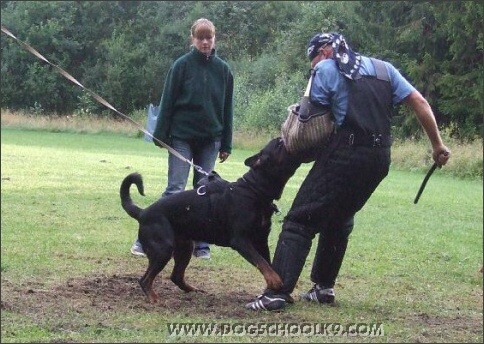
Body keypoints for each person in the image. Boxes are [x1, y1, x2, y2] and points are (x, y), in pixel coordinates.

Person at [245, 32, 451, 311]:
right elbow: (420, 102)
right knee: (339, 217)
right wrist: (437, 145)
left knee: (299, 220)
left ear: (325, 52)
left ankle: (276, 294)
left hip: (346, 153)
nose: (313, 66)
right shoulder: (384, 69)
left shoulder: (325, 68)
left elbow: (311, 122)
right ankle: (324, 288)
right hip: (379, 159)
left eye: (313, 59)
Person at [130, 18, 234, 259]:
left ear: (214, 39)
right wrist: (161, 134)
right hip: (181, 138)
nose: (206, 42)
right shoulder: (181, 66)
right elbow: (167, 102)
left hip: (211, 140)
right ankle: (144, 241)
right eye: (201, 38)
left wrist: (226, 143)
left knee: (204, 193)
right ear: (193, 40)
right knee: (175, 190)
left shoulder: (224, 70)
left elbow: (228, 109)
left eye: (209, 38)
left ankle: (202, 246)